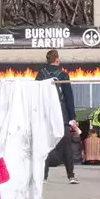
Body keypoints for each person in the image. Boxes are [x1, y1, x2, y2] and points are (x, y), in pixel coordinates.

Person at [38, 49, 78, 183]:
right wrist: (72, 117)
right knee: (66, 145)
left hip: (45, 114)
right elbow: (69, 97)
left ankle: (43, 176)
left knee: (45, 145)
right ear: (57, 59)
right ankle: (71, 175)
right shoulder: (63, 75)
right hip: (62, 115)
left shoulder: (40, 74)